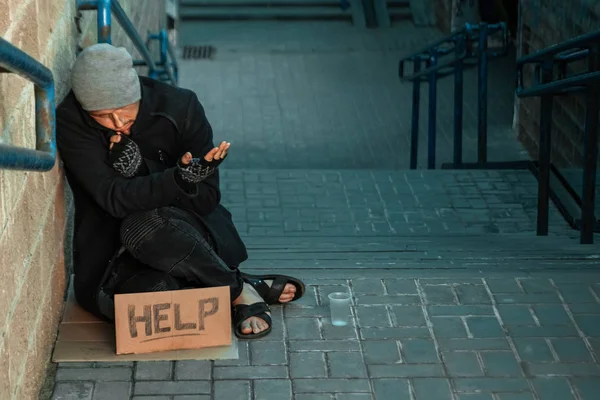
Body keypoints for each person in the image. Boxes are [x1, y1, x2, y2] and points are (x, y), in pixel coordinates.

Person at [56, 43, 305, 339]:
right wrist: (171, 180)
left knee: (143, 226)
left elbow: (208, 199)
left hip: (176, 232)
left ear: (137, 95)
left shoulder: (180, 107)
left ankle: (235, 292)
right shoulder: (71, 121)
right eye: (102, 116)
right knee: (150, 299)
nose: (117, 124)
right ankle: (239, 284)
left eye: (124, 111)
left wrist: (181, 180)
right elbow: (113, 199)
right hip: (111, 253)